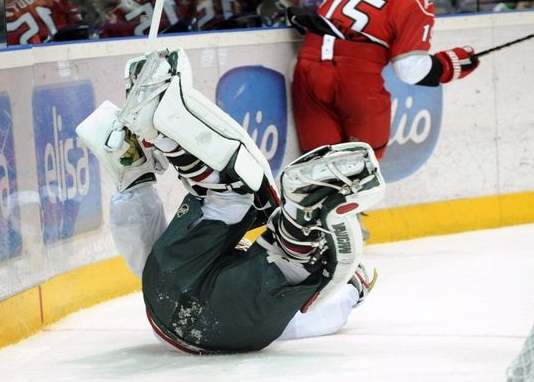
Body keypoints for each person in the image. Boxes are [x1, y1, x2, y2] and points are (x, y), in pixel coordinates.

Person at [76, 48, 383, 353]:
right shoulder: (314, 301)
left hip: (204, 310)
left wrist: (349, 287)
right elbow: (144, 255)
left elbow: (312, 314)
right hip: (179, 300)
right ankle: (163, 139)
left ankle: (165, 137)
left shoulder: (327, 299)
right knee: (254, 236)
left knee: (239, 205)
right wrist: (133, 180)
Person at [288, 0, 480, 160]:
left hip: (308, 68)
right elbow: (409, 69)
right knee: (360, 169)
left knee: (320, 170)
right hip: (355, 79)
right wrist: (447, 66)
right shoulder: (415, 0)